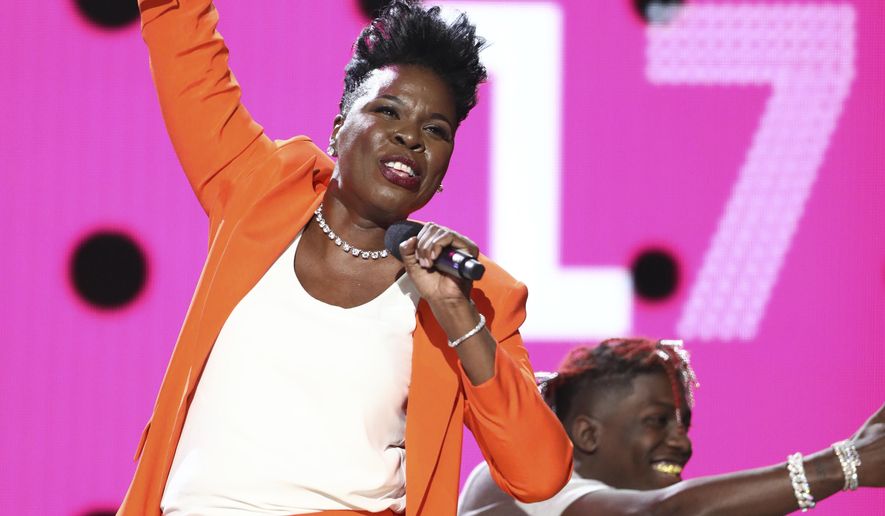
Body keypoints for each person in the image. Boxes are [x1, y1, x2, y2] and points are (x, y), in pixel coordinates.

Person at [119, 1, 572, 515]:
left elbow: (539, 474)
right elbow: (186, 52)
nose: (411, 137)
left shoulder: (474, 291)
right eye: (388, 110)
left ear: (444, 169)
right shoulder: (257, 191)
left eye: (436, 130)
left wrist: (457, 313)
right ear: (338, 126)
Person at [458, 338, 885, 515]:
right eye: (657, 422)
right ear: (588, 434)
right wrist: (845, 465)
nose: (681, 442)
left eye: (682, 424)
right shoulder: (512, 481)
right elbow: (666, 511)